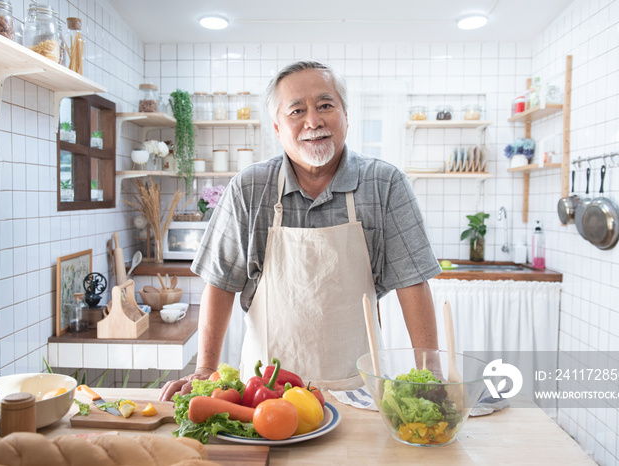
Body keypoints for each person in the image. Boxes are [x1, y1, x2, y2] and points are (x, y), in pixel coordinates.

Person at [159, 60, 441, 401]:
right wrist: (205, 370)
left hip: (359, 390)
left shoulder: (384, 184)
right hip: (263, 396)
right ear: (277, 128)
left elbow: (413, 282)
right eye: (296, 111)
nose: (313, 121)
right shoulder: (250, 188)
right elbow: (220, 283)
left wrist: (430, 374)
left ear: (346, 116)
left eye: (325, 105)